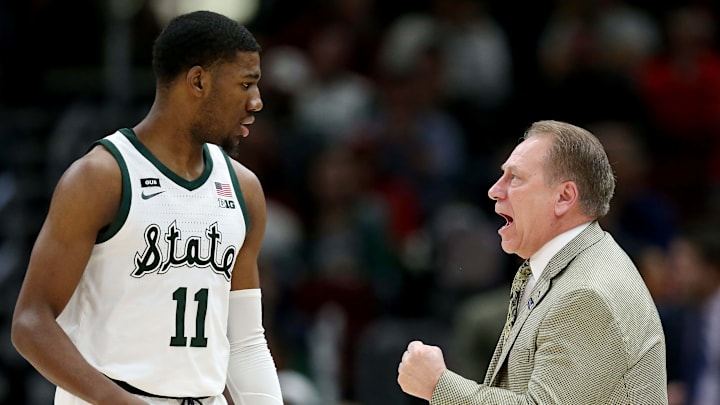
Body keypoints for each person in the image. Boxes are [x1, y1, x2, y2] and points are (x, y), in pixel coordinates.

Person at [11, 10, 283, 405]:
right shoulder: (102, 177)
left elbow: (245, 343)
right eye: (245, 84)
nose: (256, 102)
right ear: (198, 81)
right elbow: (30, 322)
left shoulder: (243, 189)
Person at [397, 120, 667, 403]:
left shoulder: (587, 294)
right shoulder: (569, 264)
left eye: (514, 178)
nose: (494, 190)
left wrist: (438, 385)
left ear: (563, 197)